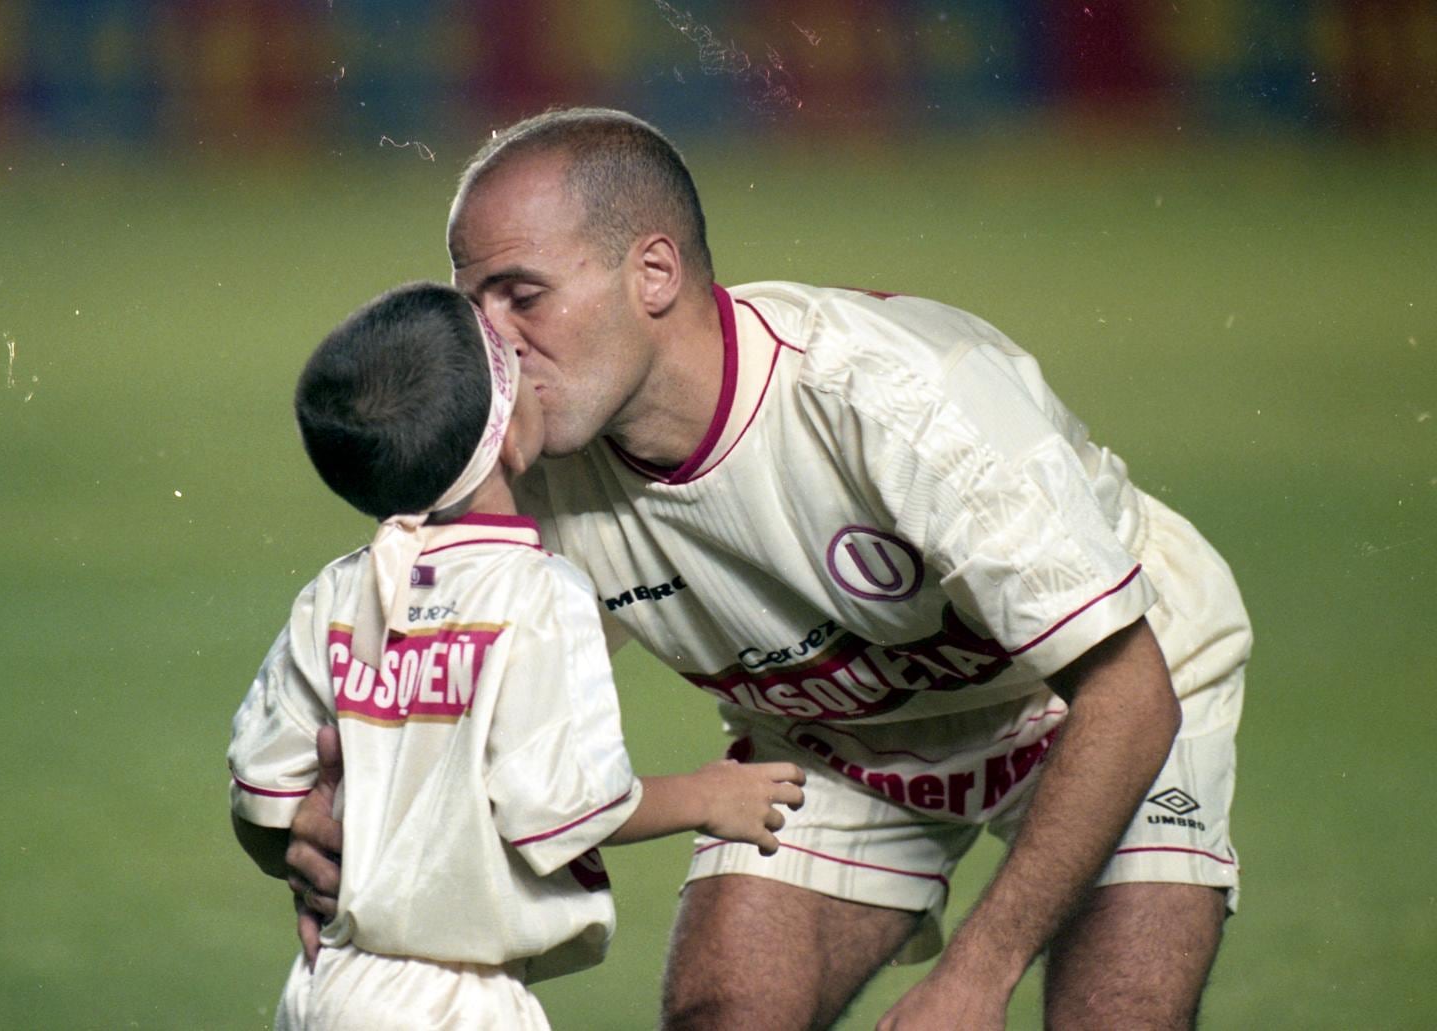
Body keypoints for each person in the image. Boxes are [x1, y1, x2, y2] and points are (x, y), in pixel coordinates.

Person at [282, 110, 1251, 1030]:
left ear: (652, 270)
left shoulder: (899, 399)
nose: (490, 345)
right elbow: (395, 692)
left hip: (1094, 690)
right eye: (471, 305)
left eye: (521, 295)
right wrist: (334, 812)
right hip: (834, 733)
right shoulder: (519, 471)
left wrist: (975, 975)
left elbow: (1126, 693)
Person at [227, 281, 807, 1029]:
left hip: (323, 986)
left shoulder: (334, 594)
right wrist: (706, 796)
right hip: (457, 1003)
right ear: (504, 437)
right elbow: (563, 808)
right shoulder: (540, 594)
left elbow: (263, 793)